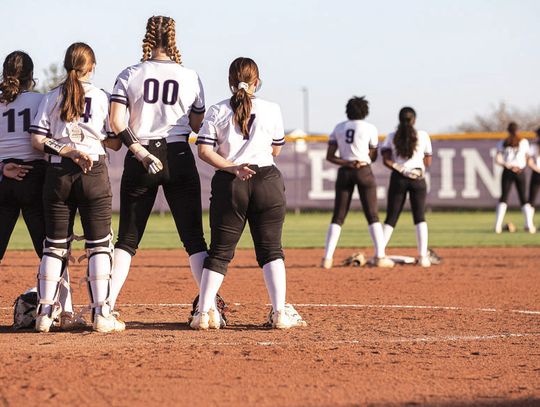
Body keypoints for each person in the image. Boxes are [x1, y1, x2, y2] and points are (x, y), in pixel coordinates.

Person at [192, 57, 306, 330]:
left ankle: (204, 314)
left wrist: (233, 167)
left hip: (231, 181)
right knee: (271, 251)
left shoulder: (217, 110)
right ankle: (279, 312)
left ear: (231, 82)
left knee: (219, 253)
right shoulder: (271, 109)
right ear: (257, 82)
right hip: (266, 179)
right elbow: (275, 150)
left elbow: (204, 151)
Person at [108, 15, 209, 317]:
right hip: (178, 154)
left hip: (141, 155)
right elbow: (196, 123)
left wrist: (139, 150)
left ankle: (105, 306)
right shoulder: (190, 76)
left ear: (148, 38)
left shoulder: (129, 73)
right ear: (174, 39)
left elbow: (116, 123)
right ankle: (208, 309)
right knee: (193, 238)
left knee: (126, 239)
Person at [30, 42, 122, 333]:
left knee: (54, 246)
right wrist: (90, 142)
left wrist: (68, 150)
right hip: (93, 171)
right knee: (99, 245)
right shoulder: (101, 96)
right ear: (91, 67)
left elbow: (38, 140)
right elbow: (116, 141)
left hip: (58, 174)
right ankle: (101, 314)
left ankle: (45, 313)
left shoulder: (51, 97)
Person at [0, 50, 82, 329]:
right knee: (52, 249)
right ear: (31, 76)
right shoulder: (41, 99)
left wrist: (3, 169)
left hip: (3, 178)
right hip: (35, 177)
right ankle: (64, 310)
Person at [321, 96, 394, 269]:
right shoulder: (370, 128)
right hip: (363, 170)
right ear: (365, 111)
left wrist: (347, 162)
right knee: (372, 215)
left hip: (345, 171)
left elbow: (330, 156)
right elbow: (373, 155)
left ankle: (327, 258)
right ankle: (380, 256)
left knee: (338, 216)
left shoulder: (339, 128)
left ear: (348, 111)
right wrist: (361, 159)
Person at [380, 107, 433, 267]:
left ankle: (379, 253)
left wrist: (402, 169)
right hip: (418, 178)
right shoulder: (423, 135)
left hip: (399, 178)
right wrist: (414, 170)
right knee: (419, 217)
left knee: (391, 217)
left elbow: (386, 160)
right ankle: (423, 257)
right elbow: (428, 162)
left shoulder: (391, 136)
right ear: (414, 120)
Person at [494, 122, 535, 234]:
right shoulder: (524, 142)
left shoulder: (503, 142)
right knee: (524, 199)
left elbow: (497, 159)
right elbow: (528, 159)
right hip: (520, 171)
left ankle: (497, 226)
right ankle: (529, 225)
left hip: (508, 171)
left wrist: (507, 165)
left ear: (508, 131)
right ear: (517, 130)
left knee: (504, 198)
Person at [526, 127, 540, 230]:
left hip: (537, 173)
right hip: (536, 173)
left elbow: (529, 162)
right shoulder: (534, 146)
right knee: (531, 200)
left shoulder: (534, 146)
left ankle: (529, 225)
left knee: (532, 200)